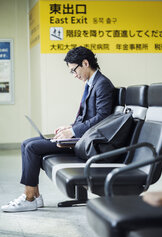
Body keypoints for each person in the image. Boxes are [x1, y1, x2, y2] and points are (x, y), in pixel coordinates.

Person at [1, 46, 115, 212]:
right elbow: (87, 117)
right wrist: (70, 127)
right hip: (83, 137)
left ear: (85, 63)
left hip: (89, 143)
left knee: (33, 147)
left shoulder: (102, 84)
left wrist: (73, 132)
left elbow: (103, 118)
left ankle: (29, 197)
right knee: (26, 143)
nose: (74, 75)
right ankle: (35, 196)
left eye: (74, 70)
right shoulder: (91, 83)